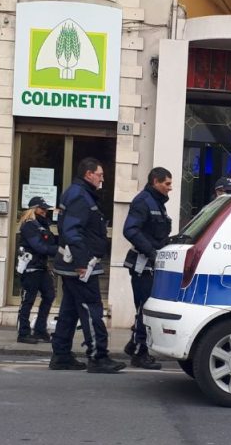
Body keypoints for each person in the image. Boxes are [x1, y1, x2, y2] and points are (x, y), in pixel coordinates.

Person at [50, 158, 123, 373]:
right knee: (92, 308)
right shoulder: (80, 196)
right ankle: (98, 356)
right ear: (88, 174)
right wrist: (82, 263)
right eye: (99, 174)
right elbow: (73, 231)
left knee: (70, 311)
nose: (102, 178)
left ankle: (61, 355)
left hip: (74, 262)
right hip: (80, 264)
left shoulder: (79, 194)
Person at [122, 167, 173, 369]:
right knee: (145, 307)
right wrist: (151, 251)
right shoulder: (143, 201)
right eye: (167, 183)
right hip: (142, 264)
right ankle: (138, 352)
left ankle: (135, 343)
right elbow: (130, 230)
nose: (170, 188)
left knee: (145, 307)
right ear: (155, 181)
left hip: (151, 264)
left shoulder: (158, 203)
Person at [15, 197, 57, 345]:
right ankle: (23, 333)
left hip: (41, 267)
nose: (45, 211)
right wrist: (58, 251)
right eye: (42, 209)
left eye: (46, 209)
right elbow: (39, 246)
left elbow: (50, 241)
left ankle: (40, 329)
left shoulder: (42, 224)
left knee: (49, 295)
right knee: (28, 300)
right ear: (33, 209)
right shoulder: (29, 225)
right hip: (31, 267)